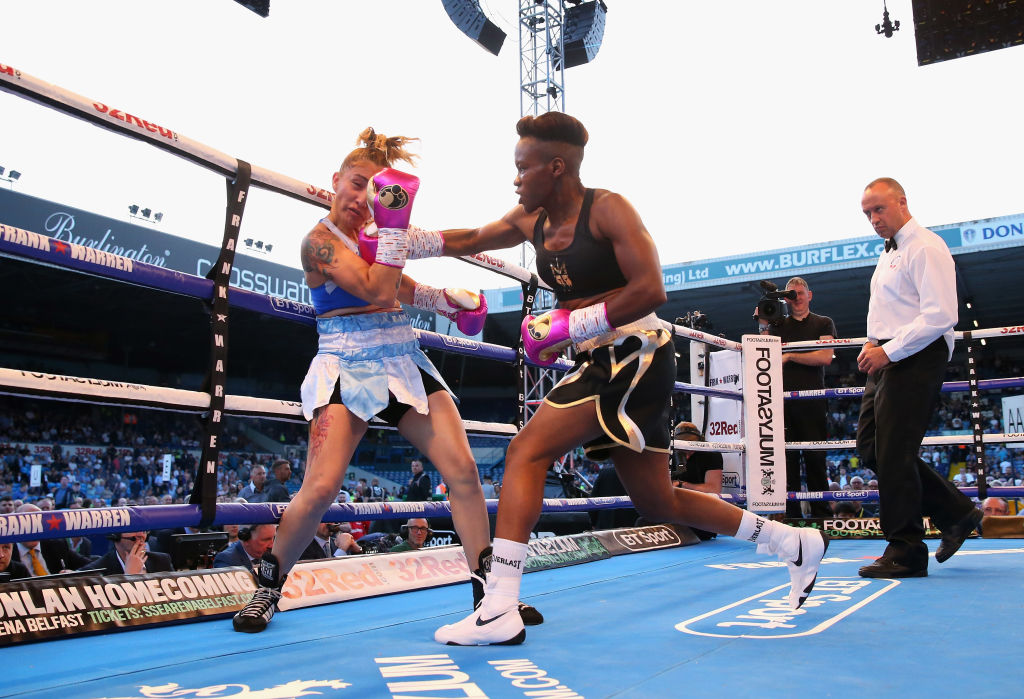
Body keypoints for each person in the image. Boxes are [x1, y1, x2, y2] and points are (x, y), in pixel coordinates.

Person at [429, 111, 828, 645]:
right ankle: (790, 541)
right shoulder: (530, 219)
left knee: (526, 451)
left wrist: (570, 324)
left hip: (635, 354)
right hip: (600, 360)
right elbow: (474, 236)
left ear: (556, 167)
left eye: (522, 168)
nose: (515, 179)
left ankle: (499, 605)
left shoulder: (608, 209)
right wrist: (402, 240)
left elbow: (651, 289)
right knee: (657, 502)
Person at [232, 128, 498, 634]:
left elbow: (403, 287)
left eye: (375, 192)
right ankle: (268, 584)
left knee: (463, 470)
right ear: (336, 180)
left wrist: (447, 300)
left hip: (402, 355)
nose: (361, 199)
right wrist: (397, 230)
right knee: (322, 487)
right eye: (356, 184)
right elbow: (378, 289)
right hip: (345, 361)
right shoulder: (318, 243)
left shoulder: (380, 235)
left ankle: (490, 597)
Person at [855, 177, 980, 579]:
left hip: (915, 355)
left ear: (901, 202)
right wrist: (872, 342)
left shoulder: (926, 246)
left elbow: (941, 314)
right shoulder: (888, 253)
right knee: (872, 448)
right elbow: (888, 308)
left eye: (879, 209)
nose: (874, 219)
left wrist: (888, 350)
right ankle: (957, 513)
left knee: (893, 452)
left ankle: (907, 549)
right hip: (887, 354)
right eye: (867, 213)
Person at [758, 277, 836, 519]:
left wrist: (790, 356)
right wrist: (763, 322)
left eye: (801, 293)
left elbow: (825, 357)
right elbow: (763, 354)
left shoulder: (823, 322)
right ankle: (790, 517)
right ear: (785, 297)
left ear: (809, 295)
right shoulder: (778, 325)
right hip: (782, 401)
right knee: (786, 460)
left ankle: (822, 517)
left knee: (815, 459)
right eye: (791, 294)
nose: (797, 297)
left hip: (812, 400)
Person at [671, 421, 722, 541]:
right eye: (683, 447)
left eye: (691, 447)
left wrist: (681, 485)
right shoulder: (668, 452)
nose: (687, 454)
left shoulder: (711, 453)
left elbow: (714, 489)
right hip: (674, 507)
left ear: (700, 441)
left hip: (700, 509)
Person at [87, 532, 173, 575]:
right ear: (115, 535)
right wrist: (130, 576)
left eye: (143, 530)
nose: (141, 535)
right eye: (134, 529)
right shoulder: (96, 571)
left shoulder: (162, 561)